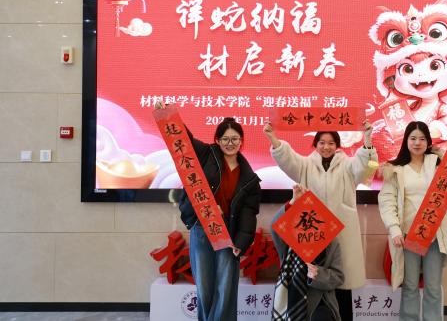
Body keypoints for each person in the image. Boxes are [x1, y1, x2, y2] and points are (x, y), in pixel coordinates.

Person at [378, 115, 447, 321]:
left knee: (433, 285)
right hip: (409, 236)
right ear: (406, 141)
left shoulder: (440, 163)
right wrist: (394, 229)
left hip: (435, 235)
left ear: (428, 142)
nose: (417, 143)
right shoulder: (394, 169)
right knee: (410, 285)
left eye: (422, 139)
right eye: (413, 138)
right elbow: (387, 201)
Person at [154, 102, 261, 321]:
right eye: (225, 139)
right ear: (217, 140)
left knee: (226, 287)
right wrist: (167, 115)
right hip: (203, 227)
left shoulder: (249, 177)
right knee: (204, 286)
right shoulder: (206, 154)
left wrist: (241, 243)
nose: (230, 143)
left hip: (230, 234)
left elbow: (249, 212)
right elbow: (184, 141)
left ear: (241, 141)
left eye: (235, 139)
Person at [263, 121, 377, 321]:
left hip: (342, 235)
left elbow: (366, 167)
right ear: (315, 144)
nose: (326, 147)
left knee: (342, 284)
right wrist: (273, 138)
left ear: (337, 145)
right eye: (322, 142)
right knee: (312, 287)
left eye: (331, 143)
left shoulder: (348, 165)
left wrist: (367, 139)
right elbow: (287, 159)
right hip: (312, 236)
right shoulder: (305, 165)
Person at [271, 184, 345, 321]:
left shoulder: (332, 242)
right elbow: (274, 227)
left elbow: (339, 277)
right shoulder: (288, 241)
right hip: (289, 297)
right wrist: (293, 202)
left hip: (320, 302)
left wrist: (318, 274)